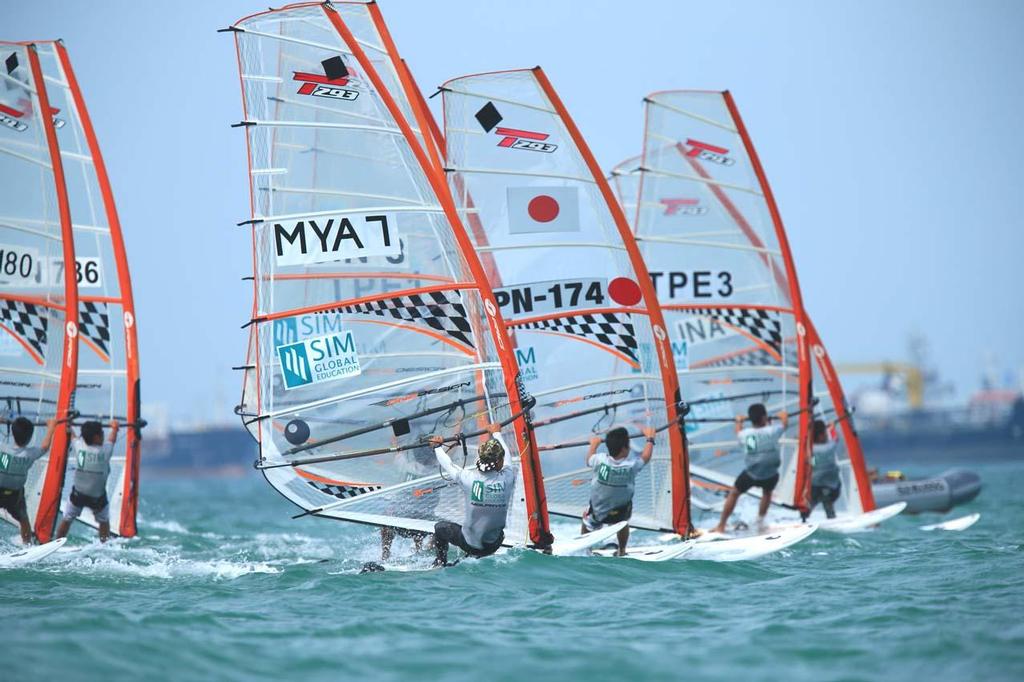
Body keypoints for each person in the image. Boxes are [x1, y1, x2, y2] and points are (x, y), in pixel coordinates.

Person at [428, 423, 514, 567]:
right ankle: (476, 555)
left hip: (467, 543)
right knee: (495, 530)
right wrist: (497, 433)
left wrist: (437, 447)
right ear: (499, 462)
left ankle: (440, 562)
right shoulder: (508, 478)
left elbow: (448, 464)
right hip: (494, 544)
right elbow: (508, 458)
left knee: (440, 528)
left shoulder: (468, 479)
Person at [711, 403, 788, 534]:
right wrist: (782, 416)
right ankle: (760, 521)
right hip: (771, 474)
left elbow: (738, 431)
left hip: (751, 474)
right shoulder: (774, 430)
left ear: (751, 419)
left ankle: (721, 525)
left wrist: (739, 421)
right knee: (767, 493)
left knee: (734, 493)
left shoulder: (745, 434)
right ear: (764, 418)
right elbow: (785, 424)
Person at [580, 425, 655, 556]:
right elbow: (646, 457)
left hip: (598, 511)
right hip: (620, 513)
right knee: (623, 524)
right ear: (625, 448)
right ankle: (622, 550)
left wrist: (594, 444)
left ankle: (585, 548)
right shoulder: (631, 466)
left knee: (587, 518)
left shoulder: (600, 460)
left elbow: (589, 459)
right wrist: (650, 438)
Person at [56, 419, 119, 542]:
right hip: (97, 498)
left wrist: (68, 426)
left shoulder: (79, 447)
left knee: (67, 519)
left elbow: (72, 436)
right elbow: (112, 439)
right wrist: (115, 428)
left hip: (78, 495)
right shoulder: (105, 451)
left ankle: (57, 540)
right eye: (102, 433)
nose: (104, 435)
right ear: (96, 437)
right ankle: (104, 543)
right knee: (104, 521)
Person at [379, 437, 439, 560]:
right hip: (424, 526)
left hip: (401, 523)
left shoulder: (405, 466)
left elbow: (397, 452)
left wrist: (394, 438)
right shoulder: (438, 471)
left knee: (386, 515)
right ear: (434, 456)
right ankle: (422, 549)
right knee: (441, 528)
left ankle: (385, 552)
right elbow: (449, 453)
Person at [0, 417, 56, 544]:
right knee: (24, 521)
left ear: (13, 434)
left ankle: (27, 546)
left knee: (24, 520)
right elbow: (45, 446)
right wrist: (51, 427)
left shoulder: (2, 449)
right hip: (14, 496)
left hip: (10, 495)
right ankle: (27, 545)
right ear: (30, 437)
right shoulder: (30, 453)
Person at [806, 419, 842, 520]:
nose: (827, 435)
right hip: (831, 487)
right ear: (820, 436)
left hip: (815, 485)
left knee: (810, 504)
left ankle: (804, 517)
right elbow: (836, 438)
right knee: (828, 501)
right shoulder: (829, 446)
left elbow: (810, 461)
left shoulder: (810, 448)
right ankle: (831, 517)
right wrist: (832, 427)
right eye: (825, 433)